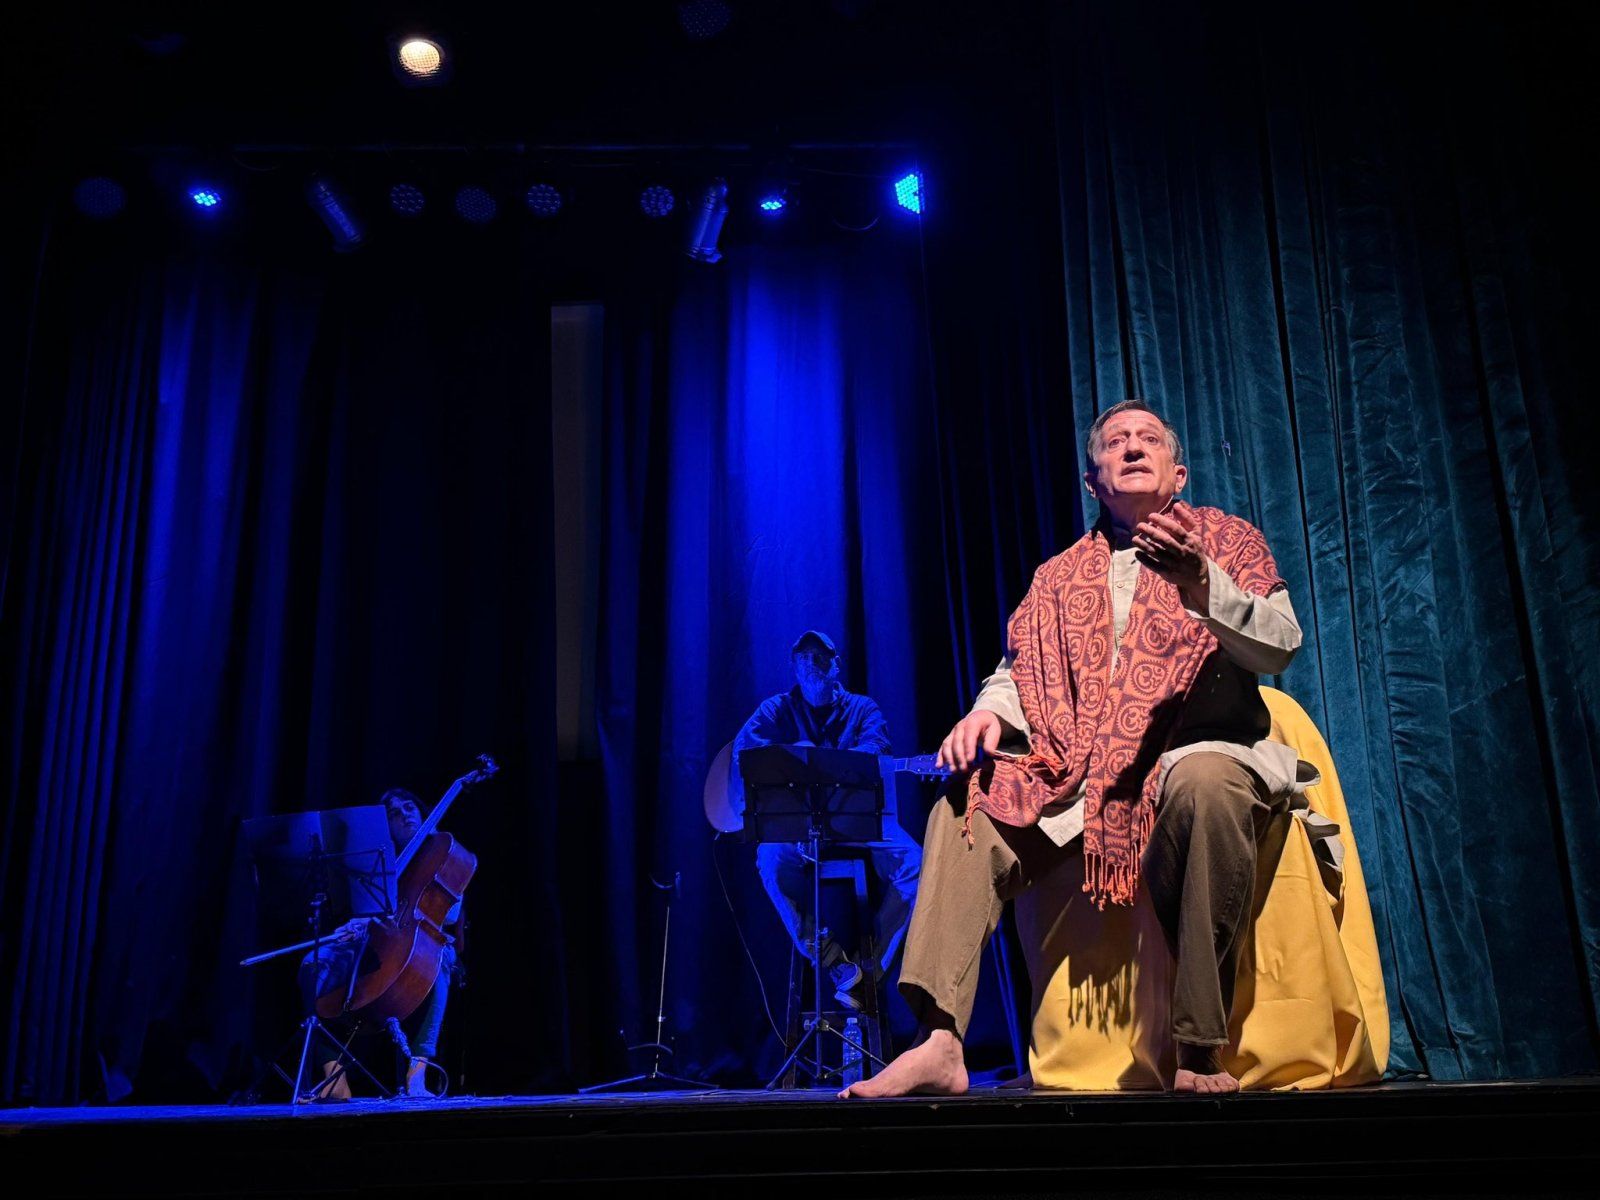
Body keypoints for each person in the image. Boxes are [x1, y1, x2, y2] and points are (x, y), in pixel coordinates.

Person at [841, 399, 1308, 1098]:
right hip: (1083, 776)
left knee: (1207, 785)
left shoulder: (1229, 543)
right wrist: (987, 717)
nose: (1131, 447)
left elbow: (1280, 644)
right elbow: (1018, 673)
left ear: (1178, 473)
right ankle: (939, 1039)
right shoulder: (1058, 578)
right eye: (1115, 442)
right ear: (1093, 484)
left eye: (1147, 439)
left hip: (1195, 752)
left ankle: (1198, 1049)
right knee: (967, 799)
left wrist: (1200, 581)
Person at [735, 630, 922, 1008]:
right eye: (802, 658)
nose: (810, 665)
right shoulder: (776, 710)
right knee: (769, 859)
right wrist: (789, 763)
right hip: (796, 826)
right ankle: (831, 958)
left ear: (836, 664)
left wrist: (823, 767)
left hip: (855, 822)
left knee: (914, 864)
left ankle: (867, 975)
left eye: (819, 657)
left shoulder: (863, 708)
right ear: (794, 666)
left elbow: (874, 752)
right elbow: (743, 754)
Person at [298, 788, 460, 1100]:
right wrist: (357, 924)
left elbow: (451, 914)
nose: (404, 816)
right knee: (312, 964)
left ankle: (418, 1075)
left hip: (422, 945)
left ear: (422, 810)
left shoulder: (446, 855)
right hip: (375, 943)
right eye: (394, 815)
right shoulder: (380, 862)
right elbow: (368, 911)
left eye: (409, 807)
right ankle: (333, 1079)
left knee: (438, 961)